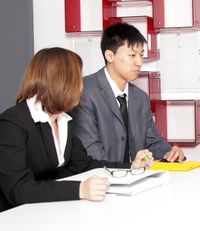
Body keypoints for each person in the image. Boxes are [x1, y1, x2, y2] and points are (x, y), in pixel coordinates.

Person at [0, 48, 152, 212]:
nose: (82, 86)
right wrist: (80, 189)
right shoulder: (12, 124)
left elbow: (85, 165)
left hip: (45, 211)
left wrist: (130, 167)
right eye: (78, 79)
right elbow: (19, 190)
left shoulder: (63, 120)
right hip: (13, 220)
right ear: (62, 82)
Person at [71, 22, 184, 163]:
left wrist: (170, 152)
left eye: (141, 55)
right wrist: (128, 169)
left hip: (134, 178)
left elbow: (153, 142)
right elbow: (90, 152)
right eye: (132, 55)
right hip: (99, 179)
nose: (139, 62)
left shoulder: (141, 97)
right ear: (109, 56)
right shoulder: (84, 91)